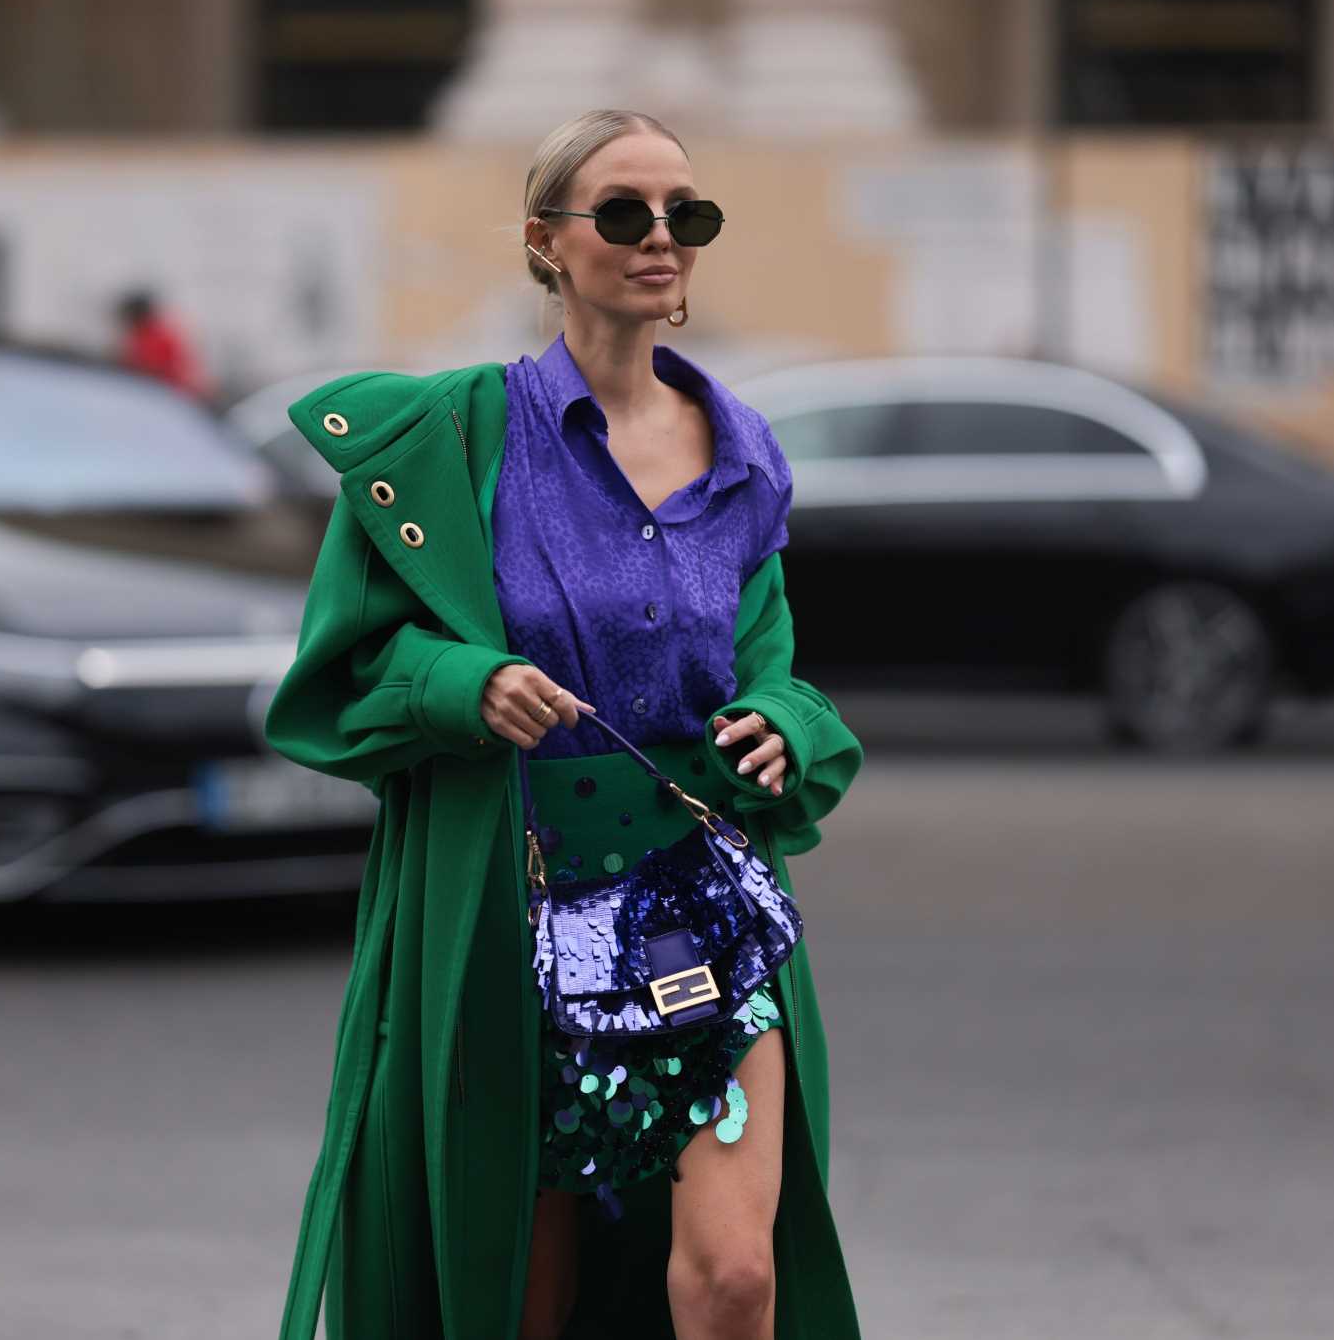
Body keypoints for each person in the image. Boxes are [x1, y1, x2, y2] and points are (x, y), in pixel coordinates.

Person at [263, 109, 865, 1340]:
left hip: (706, 910)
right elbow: (337, 679)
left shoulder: (744, 456)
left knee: (736, 1277)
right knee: (519, 1296)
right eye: (626, 212)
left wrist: (780, 726)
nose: (661, 239)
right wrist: (463, 683)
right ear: (546, 240)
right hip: (516, 917)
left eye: (686, 216)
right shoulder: (447, 444)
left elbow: (778, 667)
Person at [112, 286, 214, 402]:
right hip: (167, 393)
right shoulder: (145, 336)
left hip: (176, 396)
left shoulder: (154, 338)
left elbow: (154, 371)